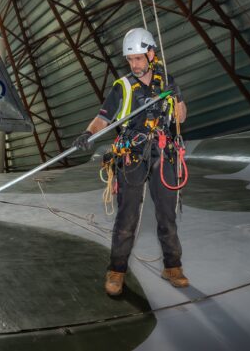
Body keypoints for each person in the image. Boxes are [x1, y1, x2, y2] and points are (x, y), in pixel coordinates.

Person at [72, 28, 189, 297]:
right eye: (130, 60)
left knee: (167, 214)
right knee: (127, 217)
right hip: (133, 155)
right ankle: (117, 270)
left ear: (151, 54)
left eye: (138, 58)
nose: (134, 65)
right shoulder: (122, 86)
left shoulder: (166, 82)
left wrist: (178, 95)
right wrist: (89, 134)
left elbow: (181, 119)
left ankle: (172, 266)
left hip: (163, 153)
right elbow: (103, 118)